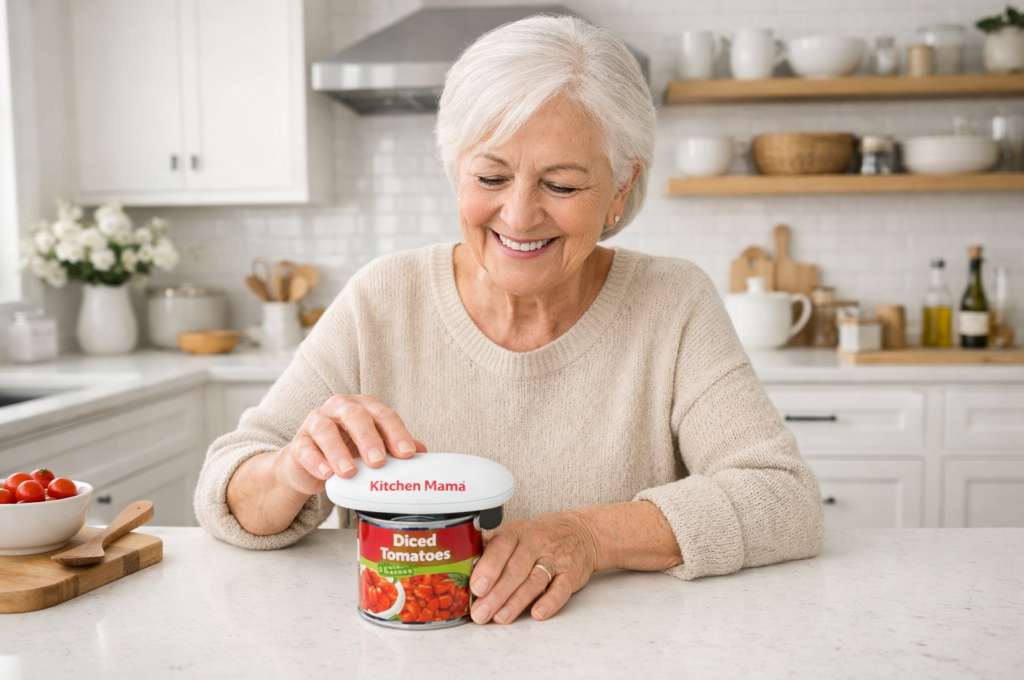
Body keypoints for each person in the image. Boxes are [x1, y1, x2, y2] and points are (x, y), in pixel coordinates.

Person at [195, 14, 823, 626]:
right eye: (491, 176)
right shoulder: (383, 296)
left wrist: (586, 536)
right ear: (455, 170)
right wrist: (292, 469)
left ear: (621, 190)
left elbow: (784, 498)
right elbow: (225, 493)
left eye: (563, 185)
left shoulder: (672, 300)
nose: (519, 217)